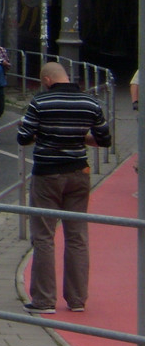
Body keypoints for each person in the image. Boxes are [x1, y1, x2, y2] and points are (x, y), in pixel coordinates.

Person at [18, 62, 111, 315]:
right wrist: (80, 137)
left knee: (44, 236)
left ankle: (44, 300)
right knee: (77, 236)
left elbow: (23, 136)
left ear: (47, 79)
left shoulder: (40, 102)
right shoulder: (90, 102)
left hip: (47, 174)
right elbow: (105, 139)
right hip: (79, 173)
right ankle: (78, 299)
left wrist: (46, 135)